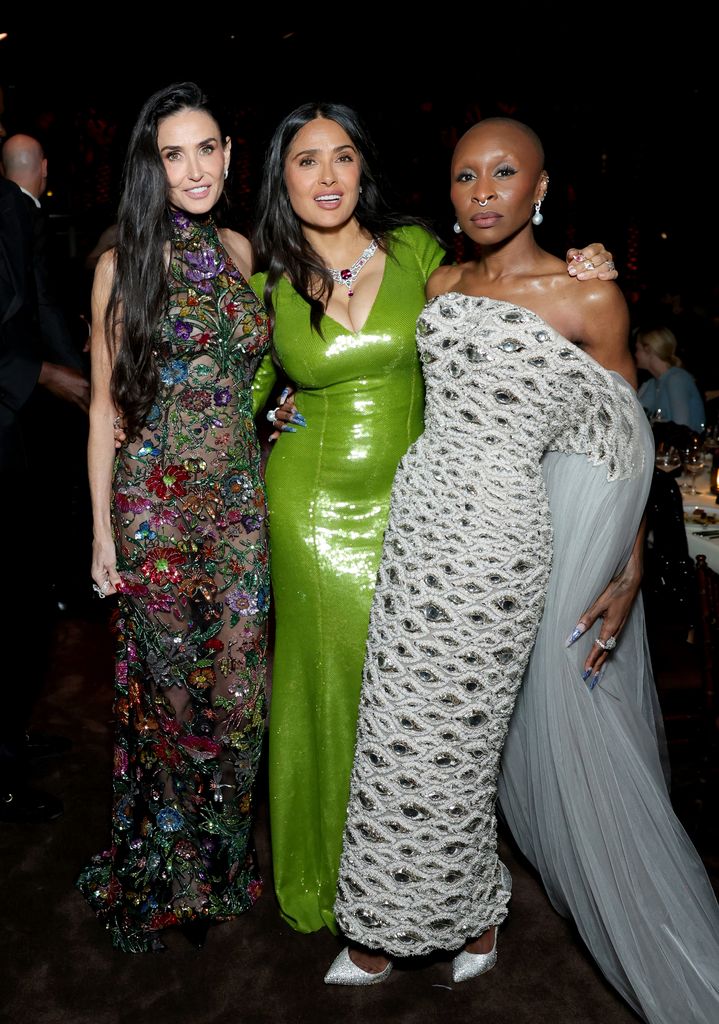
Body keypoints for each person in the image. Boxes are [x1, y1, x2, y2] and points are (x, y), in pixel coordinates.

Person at [331, 118, 719, 1024]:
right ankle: (395, 922)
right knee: (391, 721)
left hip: (504, 537)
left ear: (540, 186)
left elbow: (620, 443)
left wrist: (621, 567)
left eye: (504, 173)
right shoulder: (439, 283)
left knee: (460, 742)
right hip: (418, 522)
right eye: (465, 176)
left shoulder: (586, 297)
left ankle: (468, 926)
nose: (484, 191)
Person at [248, 100, 617, 937]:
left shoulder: (421, 254)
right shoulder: (266, 280)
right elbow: (232, 388)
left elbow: (513, 315)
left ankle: (421, 883)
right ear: (282, 177)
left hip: (429, 511)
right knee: (325, 682)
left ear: (362, 168)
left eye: (341, 157)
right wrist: (262, 419)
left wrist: (584, 261)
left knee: (425, 702)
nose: (327, 176)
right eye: (306, 161)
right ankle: (331, 878)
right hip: (306, 505)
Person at [76, 82, 271, 953]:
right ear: (152, 168)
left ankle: (219, 865)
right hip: (153, 506)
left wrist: (278, 410)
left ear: (229, 153)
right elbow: (102, 413)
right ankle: (165, 872)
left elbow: (262, 362)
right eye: (172, 154)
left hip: (236, 509)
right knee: (162, 698)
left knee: (236, 695)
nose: (193, 169)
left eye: (206, 150)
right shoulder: (122, 263)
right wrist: (102, 531)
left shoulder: (239, 248)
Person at [0, 173, 89, 824]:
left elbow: (36, 304)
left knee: (23, 605)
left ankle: (9, 738)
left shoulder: (8, 204)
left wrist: (79, 372)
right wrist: (43, 373)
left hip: (17, 435)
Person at [635, 325, 706, 434]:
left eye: (637, 349)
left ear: (648, 350)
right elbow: (634, 419)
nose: (635, 354)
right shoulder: (652, 383)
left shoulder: (676, 379)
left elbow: (682, 429)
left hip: (687, 448)